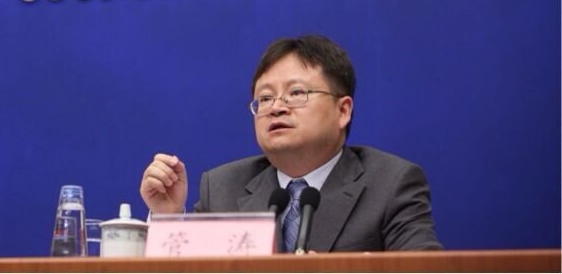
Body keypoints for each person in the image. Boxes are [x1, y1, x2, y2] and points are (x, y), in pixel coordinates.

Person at [139, 35, 442, 252]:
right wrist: (168, 218)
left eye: (296, 93)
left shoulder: (390, 184)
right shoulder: (221, 188)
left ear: (343, 111)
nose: (276, 107)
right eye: (265, 98)